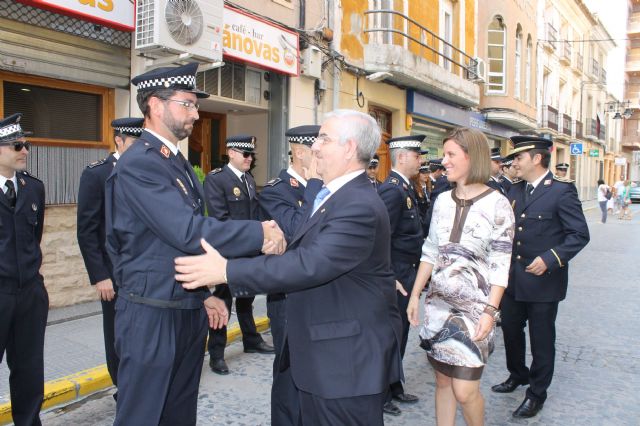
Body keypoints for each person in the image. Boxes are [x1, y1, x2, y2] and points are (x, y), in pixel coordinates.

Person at [176, 109, 403, 425]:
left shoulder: (357, 205)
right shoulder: (336, 195)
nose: (316, 147)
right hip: (322, 356)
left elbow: (309, 264)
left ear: (350, 148)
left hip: (344, 365)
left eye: (324, 138)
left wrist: (228, 270)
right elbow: (308, 247)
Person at [104, 62, 285, 425]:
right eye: (187, 103)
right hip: (151, 313)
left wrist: (204, 295)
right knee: (143, 414)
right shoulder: (140, 163)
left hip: (182, 307)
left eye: (194, 104)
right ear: (156, 105)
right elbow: (187, 230)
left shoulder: (178, 163)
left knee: (178, 412)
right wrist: (259, 233)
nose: (195, 112)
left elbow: (178, 245)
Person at [406, 128, 514, 426]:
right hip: (438, 305)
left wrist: (491, 311)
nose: (445, 161)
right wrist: (416, 295)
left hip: (476, 309)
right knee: (443, 381)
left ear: (472, 157)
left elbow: (501, 264)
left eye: (452, 154)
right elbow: (430, 250)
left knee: (465, 390)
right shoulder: (442, 201)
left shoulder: (498, 203)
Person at [491, 135, 589, 418]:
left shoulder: (561, 191)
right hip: (513, 280)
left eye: (519, 158)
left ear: (536, 158)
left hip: (544, 283)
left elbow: (579, 234)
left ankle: (536, 393)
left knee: (542, 338)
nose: (514, 163)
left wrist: (550, 259)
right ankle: (517, 374)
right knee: (510, 329)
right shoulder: (514, 190)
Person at [258, 124, 323, 425]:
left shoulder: (327, 188)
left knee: (316, 373)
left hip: (321, 292)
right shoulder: (275, 190)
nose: (323, 158)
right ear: (300, 153)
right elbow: (297, 231)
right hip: (289, 296)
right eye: (317, 152)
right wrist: (313, 187)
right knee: (289, 374)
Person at [77, 117, 143, 393]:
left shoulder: (145, 171)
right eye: (135, 143)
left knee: (140, 334)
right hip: (112, 273)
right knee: (117, 335)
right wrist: (100, 275)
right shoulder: (96, 174)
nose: (141, 148)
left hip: (141, 270)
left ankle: (138, 386)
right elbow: (87, 230)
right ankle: (122, 388)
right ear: (119, 140)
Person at [203, 135, 275, 375]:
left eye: (251, 155)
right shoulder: (217, 180)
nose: (250, 159)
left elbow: (254, 215)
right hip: (228, 252)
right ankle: (216, 354)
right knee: (222, 302)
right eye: (246, 154)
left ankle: (251, 339)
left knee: (247, 299)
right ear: (231, 153)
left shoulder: (249, 180)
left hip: (250, 249)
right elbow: (220, 219)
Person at [0, 113, 47, 426]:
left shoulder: (33, 188)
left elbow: (34, 237)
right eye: (17, 145)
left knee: (29, 369)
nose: (25, 151)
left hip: (29, 293)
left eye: (26, 144)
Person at [377, 135, 424, 415]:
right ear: (402, 157)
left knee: (401, 332)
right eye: (416, 156)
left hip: (407, 271)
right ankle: (381, 393)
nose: (420, 161)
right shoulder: (392, 190)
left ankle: (394, 385)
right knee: (391, 334)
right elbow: (381, 237)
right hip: (396, 274)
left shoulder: (405, 188)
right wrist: (388, 275)